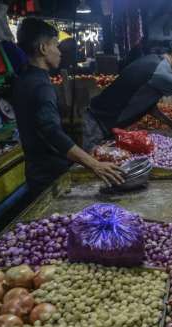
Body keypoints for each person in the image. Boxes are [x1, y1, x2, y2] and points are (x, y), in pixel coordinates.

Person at [12, 18, 124, 196]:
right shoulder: (41, 86)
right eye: (55, 45)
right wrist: (94, 164)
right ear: (43, 48)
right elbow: (51, 131)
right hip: (49, 177)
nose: (59, 52)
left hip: (36, 172)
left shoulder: (24, 79)